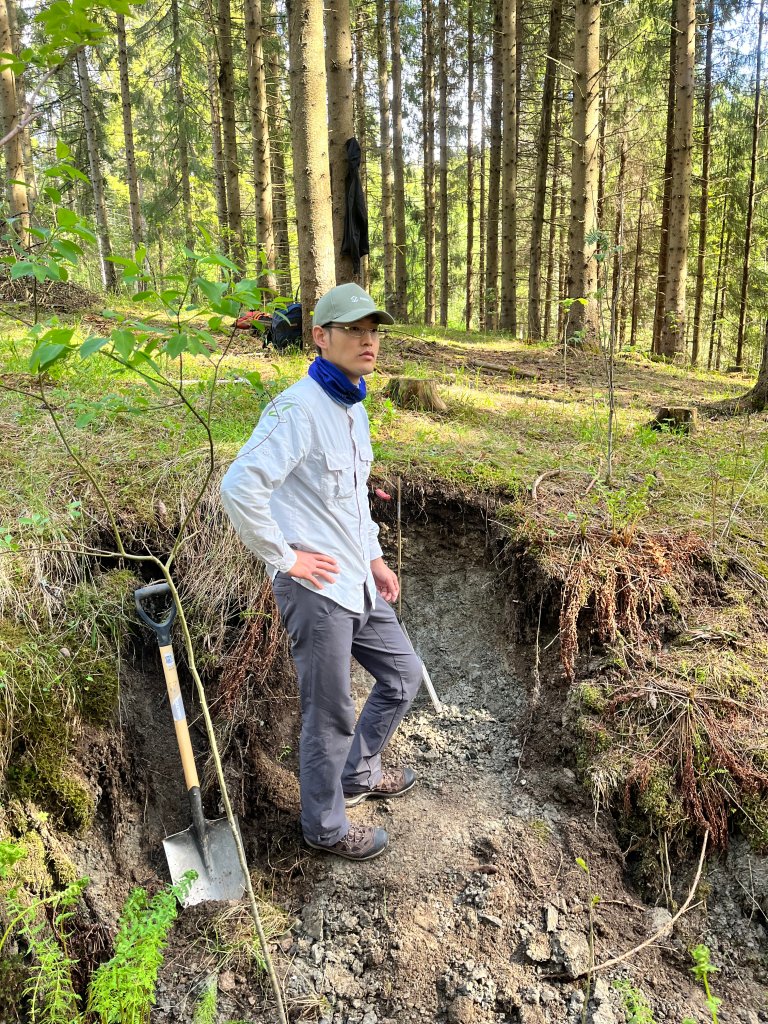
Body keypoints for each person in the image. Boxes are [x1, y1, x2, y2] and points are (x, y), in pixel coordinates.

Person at [220, 283, 422, 862]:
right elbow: (239, 488)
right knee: (330, 712)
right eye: (354, 330)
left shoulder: (354, 408)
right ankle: (326, 827)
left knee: (402, 675)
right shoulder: (296, 409)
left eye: (373, 330)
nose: (368, 341)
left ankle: (359, 774)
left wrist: (376, 559)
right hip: (316, 589)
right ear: (320, 337)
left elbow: (353, 499)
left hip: (357, 579)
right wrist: (286, 557)